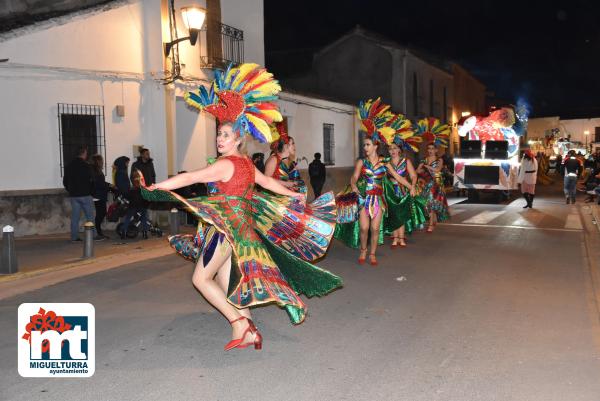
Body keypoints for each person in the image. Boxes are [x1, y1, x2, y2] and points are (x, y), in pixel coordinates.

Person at [143, 63, 342, 350]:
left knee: (201, 279)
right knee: (226, 282)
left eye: (225, 135)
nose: (219, 139)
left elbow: (191, 177)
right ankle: (247, 329)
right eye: (218, 134)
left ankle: (239, 324)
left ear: (238, 138)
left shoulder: (226, 164)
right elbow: (268, 183)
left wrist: (158, 186)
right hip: (239, 232)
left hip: (225, 230)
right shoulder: (247, 165)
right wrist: (292, 193)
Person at [334, 99, 415, 266]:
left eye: (368, 145)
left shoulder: (385, 163)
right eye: (364, 145)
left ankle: (372, 253)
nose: (365, 147)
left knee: (375, 229)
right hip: (364, 199)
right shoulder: (361, 162)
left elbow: (399, 178)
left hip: (378, 200)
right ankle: (363, 249)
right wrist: (355, 185)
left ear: (376, 146)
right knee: (364, 228)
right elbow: (354, 177)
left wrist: (411, 187)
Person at [383, 115, 427, 248]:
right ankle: (396, 238)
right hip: (390, 191)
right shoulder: (386, 162)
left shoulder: (406, 161)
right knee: (394, 214)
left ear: (400, 150)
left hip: (403, 190)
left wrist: (412, 186)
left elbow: (414, 176)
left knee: (400, 214)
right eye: (390, 149)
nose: (393, 151)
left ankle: (400, 239)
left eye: (395, 148)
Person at [415, 118, 451, 232]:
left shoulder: (439, 159)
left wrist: (427, 166)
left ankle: (430, 224)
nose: (430, 150)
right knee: (424, 202)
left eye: (432, 149)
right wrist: (421, 167)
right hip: (426, 183)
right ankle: (431, 219)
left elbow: (437, 170)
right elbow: (417, 172)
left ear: (436, 150)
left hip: (436, 184)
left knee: (431, 202)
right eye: (429, 148)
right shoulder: (424, 160)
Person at [63, 145, 102, 242]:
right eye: (86, 153)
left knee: (75, 217)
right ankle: (93, 235)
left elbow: (65, 181)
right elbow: (92, 180)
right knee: (90, 216)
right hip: (85, 195)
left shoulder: (69, 165)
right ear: (84, 153)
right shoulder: (86, 166)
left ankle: (74, 237)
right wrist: (91, 192)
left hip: (74, 195)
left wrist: (71, 190)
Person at [264, 123, 307, 193]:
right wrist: (288, 184)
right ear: (286, 145)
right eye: (292, 143)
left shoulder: (286, 160)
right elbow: (266, 180)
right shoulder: (273, 159)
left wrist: (293, 182)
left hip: (285, 194)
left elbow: (283, 178)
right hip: (275, 198)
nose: (295, 146)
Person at [119, 172, 149, 239]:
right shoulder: (143, 189)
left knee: (128, 218)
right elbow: (146, 199)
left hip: (132, 207)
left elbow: (127, 196)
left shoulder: (131, 189)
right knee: (144, 217)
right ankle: (145, 233)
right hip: (141, 207)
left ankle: (124, 232)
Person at [91, 154, 112, 239]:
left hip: (99, 194)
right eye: (101, 160)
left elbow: (101, 182)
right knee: (101, 213)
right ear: (98, 161)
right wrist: (108, 186)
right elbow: (99, 183)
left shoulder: (97, 170)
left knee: (101, 213)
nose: (103, 162)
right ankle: (98, 232)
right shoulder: (95, 171)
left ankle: (98, 231)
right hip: (98, 195)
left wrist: (109, 185)